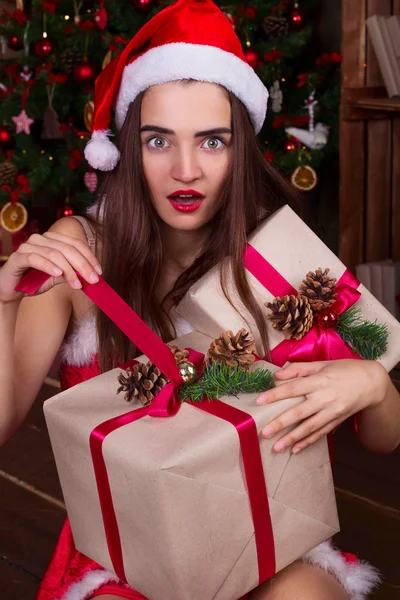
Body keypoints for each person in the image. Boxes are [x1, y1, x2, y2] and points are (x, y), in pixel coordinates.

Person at [1, 1, 399, 599]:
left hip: (265, 530)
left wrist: (374, 383)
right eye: (158, 140)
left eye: (212, 141)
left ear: (241, 149)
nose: (185, 170)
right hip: (127, 548)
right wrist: (4, 301)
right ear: (126, 148)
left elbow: (382, 439)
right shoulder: (80, 256)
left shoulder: (281, 261)